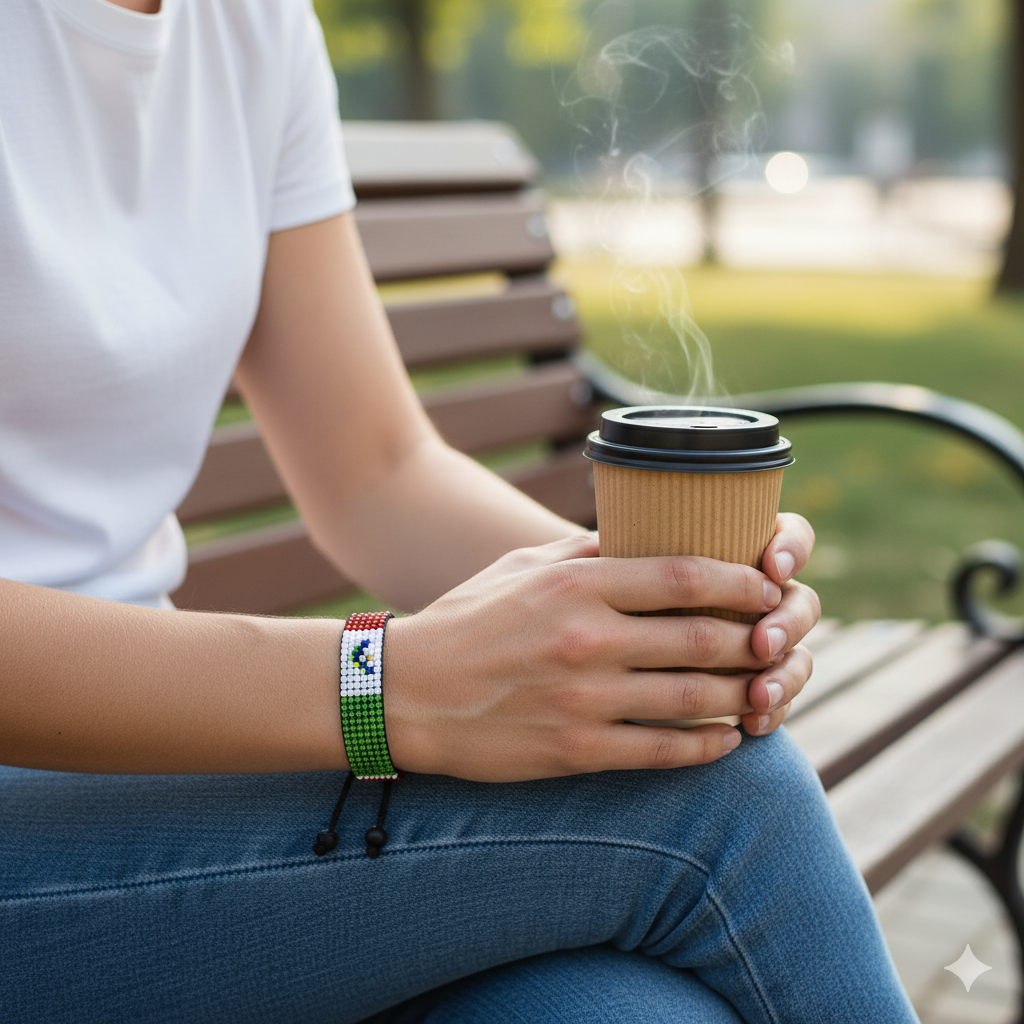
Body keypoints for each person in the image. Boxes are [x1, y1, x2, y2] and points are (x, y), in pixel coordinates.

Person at [0, 0, 919, 1021]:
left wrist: (657, 613)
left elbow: (375, 470)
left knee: (619, 1012)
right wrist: (387, 684)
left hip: (151, 777)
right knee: (713, 798)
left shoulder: (249, 23)